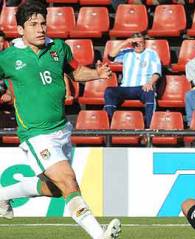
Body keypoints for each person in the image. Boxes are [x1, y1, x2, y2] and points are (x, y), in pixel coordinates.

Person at [0, 2, 121, 238]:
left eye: (43, 23)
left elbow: (75, 72)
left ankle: (3, 195)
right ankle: (100, 234)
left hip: (62, 130)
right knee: (68, 180)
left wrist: (97, 74)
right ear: (20, 30)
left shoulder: (59, 48)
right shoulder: (8, 57)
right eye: (33, 24)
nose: (40, 28)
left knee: (55, 189)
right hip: (35, 134)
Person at [104, 32, 161, 127]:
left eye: (141, 42)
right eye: (136, 43)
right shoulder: (127, 52)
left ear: (144, 43)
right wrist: (125, 42)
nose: (138, 45)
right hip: (126, 87)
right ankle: (109, 125)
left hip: (142, 87)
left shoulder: (151, 54)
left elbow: (157, 72)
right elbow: (110, 56)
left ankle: (148, 129)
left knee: (150, 92)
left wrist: (150, 82)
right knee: (109, 91)